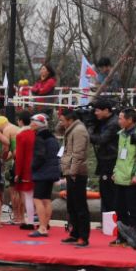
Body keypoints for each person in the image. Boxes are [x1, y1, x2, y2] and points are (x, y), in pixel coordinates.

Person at [113, 107, 136, 243]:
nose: (119, 121)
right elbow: (119, 157)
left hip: (133, 179)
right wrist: (115, 172)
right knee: (119, 208)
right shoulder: (121, 134)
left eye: (121, 118)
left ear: (129, 120)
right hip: (120, 177)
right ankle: (122, 235)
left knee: (134, 210)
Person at [58, 107, 91, 246]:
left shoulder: (78, 131)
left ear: (70, 120)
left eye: (62, 120)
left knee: (79, 205)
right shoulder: (71, 129)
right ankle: (75, 232)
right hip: (71, 171)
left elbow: (78, 154)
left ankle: (83, 236)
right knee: (72, 205)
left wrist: (73, 172)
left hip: (76, 173)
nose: (61, 123)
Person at [29, 113, 61, 238]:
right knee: (47, 200)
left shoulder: (40, 137)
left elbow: (39, 156)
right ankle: (45, 224)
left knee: (38, 199)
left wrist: (32, 166)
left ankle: (42, 228)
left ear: (37, 124)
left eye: (32, 122)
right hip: (52, 171)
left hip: (42, 172)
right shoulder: (52, 137)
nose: (30, 125)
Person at [89, 98, 120, 222]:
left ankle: (110, 222)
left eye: (97, 110)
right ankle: (106, 221)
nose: (95, 113)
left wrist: (90, 129)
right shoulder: (104, 121)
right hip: (105, 159)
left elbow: (101, 139)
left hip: (110, 161)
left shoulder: (113, 124)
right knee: (105, 191)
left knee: (109, 192)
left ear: (106, 110)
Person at [12, 111, 37, 229]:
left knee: (28, 196)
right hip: (38, 167)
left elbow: (20, 156)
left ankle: (31, 221)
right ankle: (43, 222)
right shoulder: (35, 133)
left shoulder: (21, 135)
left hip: (27, 169)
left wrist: (17, 173)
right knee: (41, 197)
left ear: (20, 121)